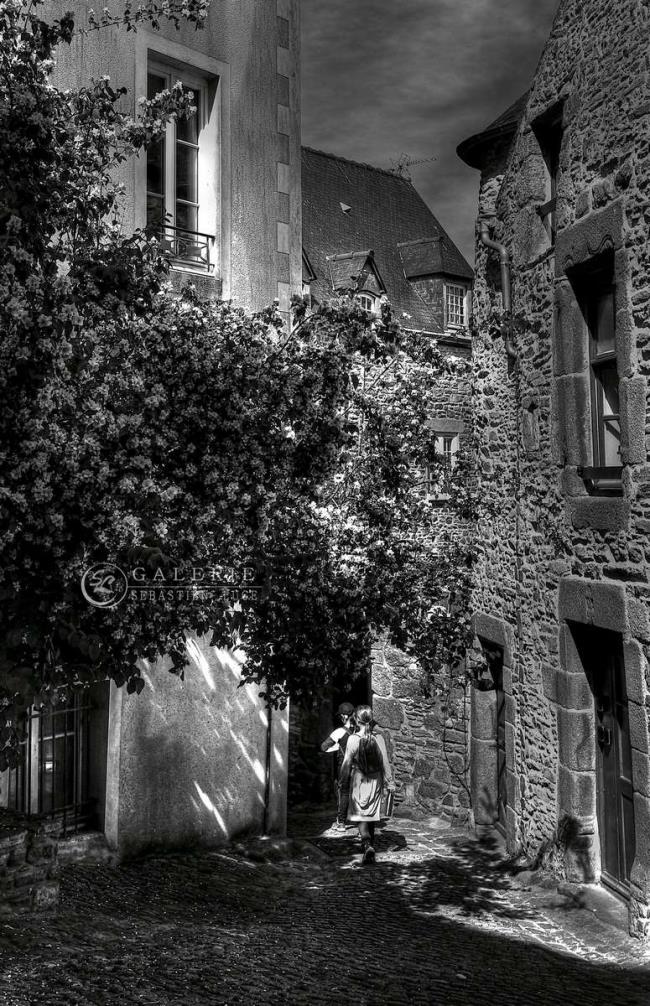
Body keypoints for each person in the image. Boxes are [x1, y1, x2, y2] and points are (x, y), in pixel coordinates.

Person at [339, 705, 395, 864]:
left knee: (360, 815)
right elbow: (385, 762)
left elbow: (346, 763)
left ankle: (366, 843)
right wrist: (390, 783)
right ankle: (371, 845)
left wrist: (343, 781)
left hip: (359, 779)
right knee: (371, 814)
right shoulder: (379, 738)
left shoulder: (353, 739)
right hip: (376, 780)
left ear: (356, 720)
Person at [320, 701, 356, 830]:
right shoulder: (360, 731)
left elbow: (323, 747)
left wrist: (336, 747)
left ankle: (341, 822)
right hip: (358, 767)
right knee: (357, 793)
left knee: (344, 793)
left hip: (344, 766)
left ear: (344, 716)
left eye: (341, 715)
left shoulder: (339, 732)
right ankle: (361, 823)